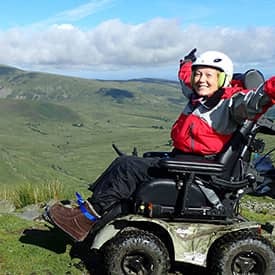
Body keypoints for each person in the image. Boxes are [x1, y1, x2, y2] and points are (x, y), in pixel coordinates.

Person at [46, 49, 275, 242]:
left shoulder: (231, 104)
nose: (200, 79)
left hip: (200, 174)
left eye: (208, 75)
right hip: (187, 163)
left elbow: (259, 99)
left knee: (126, 167)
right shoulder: (201, 97)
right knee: (126, 165)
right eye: (198, 74)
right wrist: (186, 63)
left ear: (223, 79)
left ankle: (82, 220)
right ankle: (87, 213)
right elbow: (187, 80)